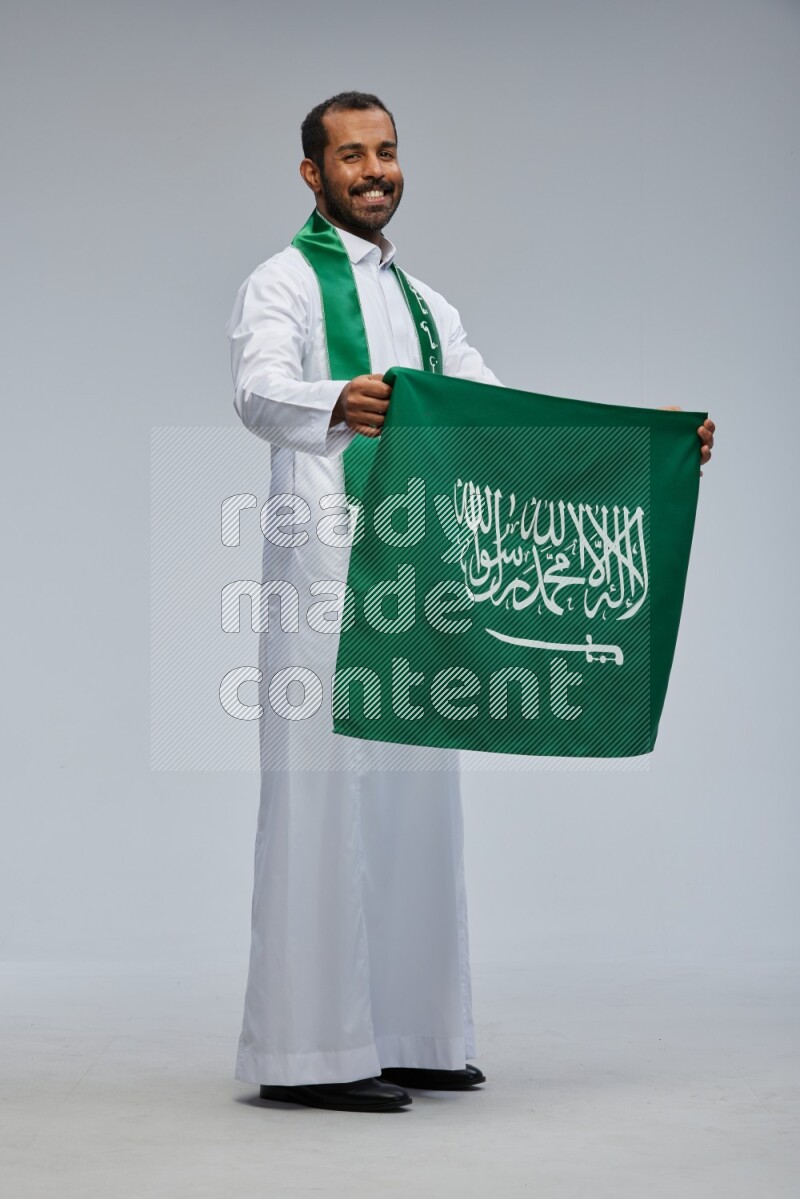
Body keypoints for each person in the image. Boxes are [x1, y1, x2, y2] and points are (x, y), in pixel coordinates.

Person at [225, 91, 716, 1115]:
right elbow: (255, 391)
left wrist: (643, 439)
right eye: (351, 155)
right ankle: (305, 1052)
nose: (374, 169)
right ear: (311, 175)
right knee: (321, 801)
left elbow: (501, 418)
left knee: (417, 799)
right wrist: (334, 401)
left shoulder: (423, 305)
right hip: (327, 572)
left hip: (422, 580)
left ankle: (413, 1032)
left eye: (387, 151)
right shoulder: (280, 283)